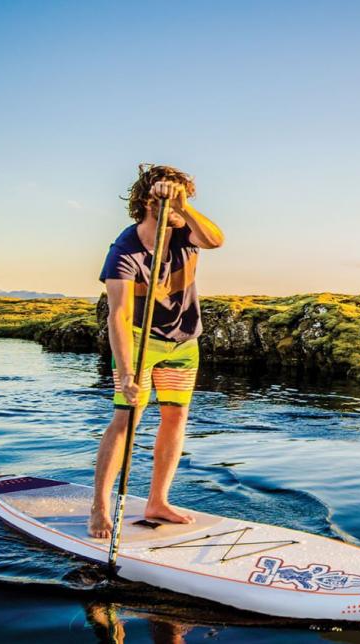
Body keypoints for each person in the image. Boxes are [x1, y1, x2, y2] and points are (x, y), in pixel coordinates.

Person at [88, 164, 225, 539]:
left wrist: (182, 206)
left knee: (175, 417)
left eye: (185, 197)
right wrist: (127, 374)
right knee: (127, 419)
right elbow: (118, 315)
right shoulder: (125, 250)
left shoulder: (187, 233)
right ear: (148, 201)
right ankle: (100, 507)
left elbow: (215, 241)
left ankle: (157, 502)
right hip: (139, 341)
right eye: (172, 197)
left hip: (184, 341)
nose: (181, 204)